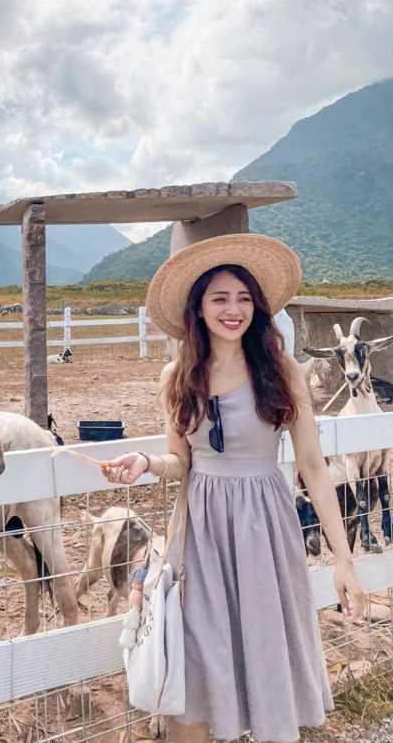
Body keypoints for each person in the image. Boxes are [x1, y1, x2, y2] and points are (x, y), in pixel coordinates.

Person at [97, 233, 364, 743]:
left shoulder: (282, 370)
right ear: (198, 307)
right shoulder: (176, 375)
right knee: (193, 665)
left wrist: (343, 559)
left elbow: (312, 465)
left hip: (265, 530)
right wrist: (144, 461)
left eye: (244, 299)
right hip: (198, 535)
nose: (233, 309)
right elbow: (182, 461)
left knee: (265, 655)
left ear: (258, 309)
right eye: (220, 298)